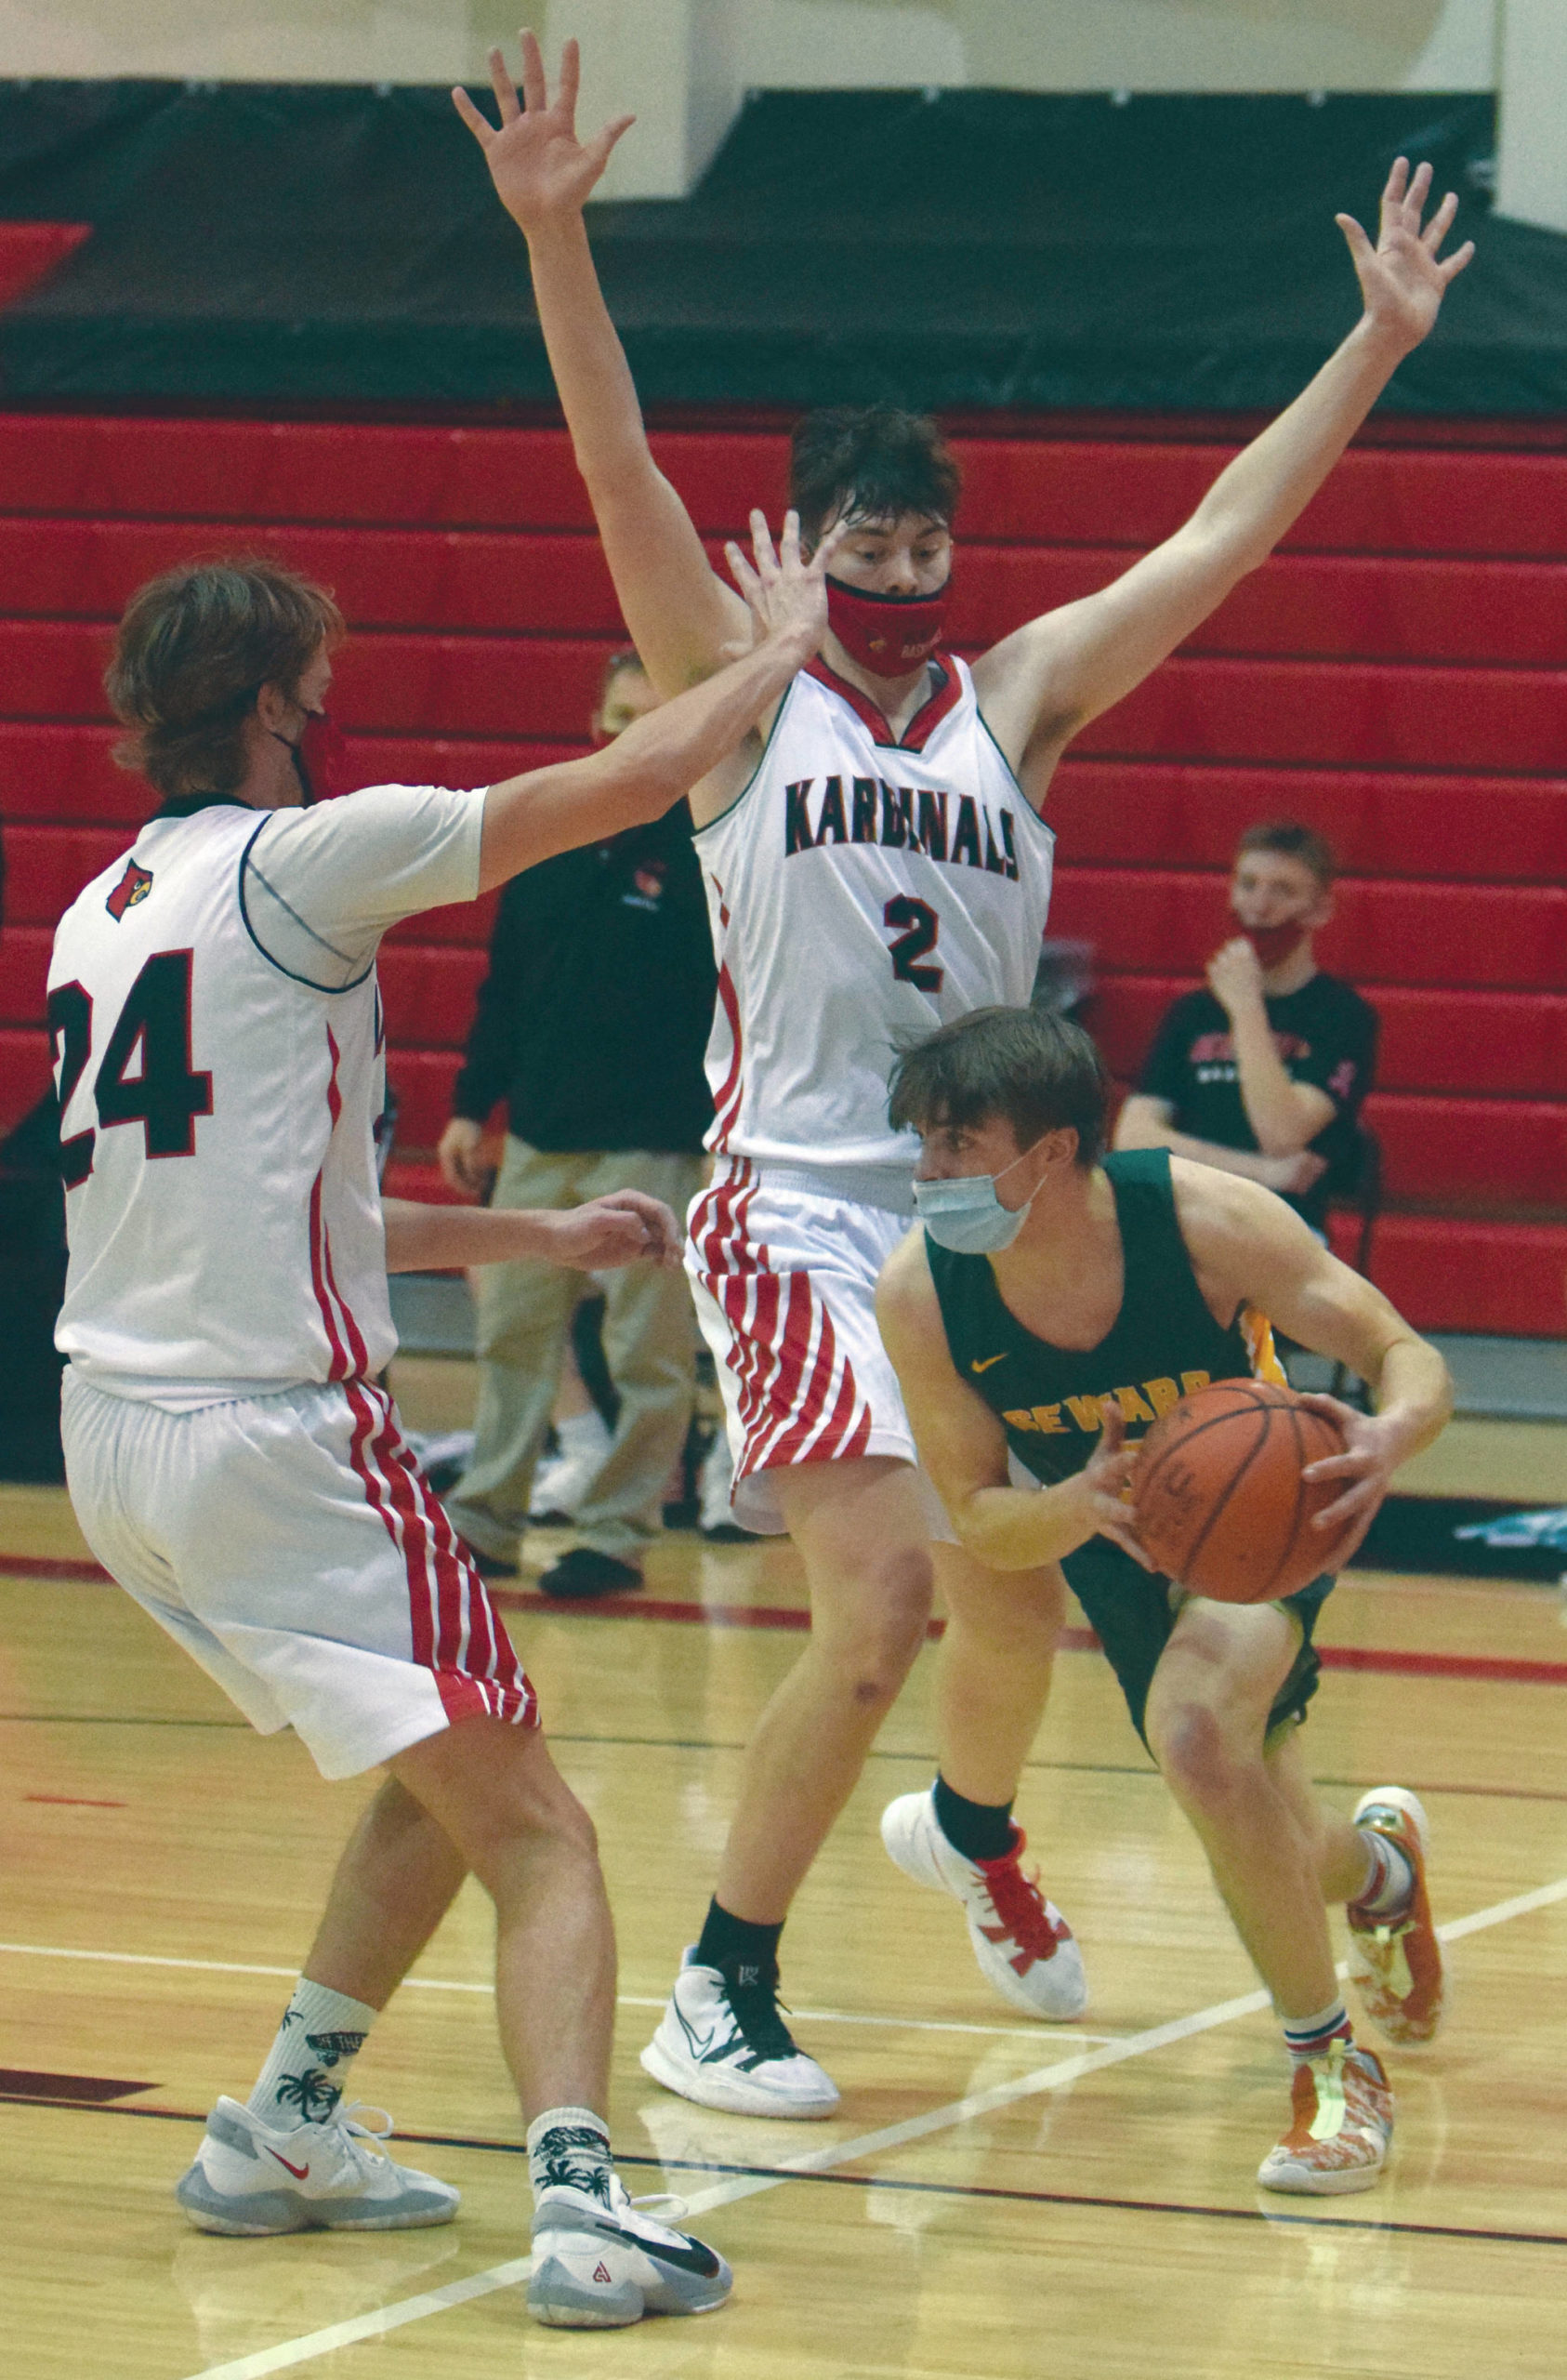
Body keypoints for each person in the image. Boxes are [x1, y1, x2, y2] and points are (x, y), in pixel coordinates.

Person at [454, 33, 1471, 2117]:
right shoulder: (743, 712)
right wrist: (557, 240)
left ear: (955, 556)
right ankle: (719, 1985)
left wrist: (1373, 348)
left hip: (986, 1215)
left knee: (1045, 1584)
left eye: (928, 545)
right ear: (809, 545)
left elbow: (1219, 536)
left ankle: (988, 1837)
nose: (903, 578)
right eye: (867, 544)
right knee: (907, 1579)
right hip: (795, 1203)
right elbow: (616, 470)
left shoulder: (1025, 699)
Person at [47, 522, 835, 2327]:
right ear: (274, 703)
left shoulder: (101, 915)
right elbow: (637, 772)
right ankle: (582, 2195)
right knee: (542, 1818)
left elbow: (285, 1210)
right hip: (274, 1434)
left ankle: (286, 2124)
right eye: (311, 680)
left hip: (118, 1434)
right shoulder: (314, 858)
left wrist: (540, 1236)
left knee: (441, 1756)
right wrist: (783, 648)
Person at [875, 1004, 1451, 2193]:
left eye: (955, 1149)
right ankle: (1380, 1871)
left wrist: (1392, 1433)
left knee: (1194, 1735)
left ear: (1051, 1152)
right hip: (1104, 1532)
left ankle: (1334, 2069)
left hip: (1272, 1519)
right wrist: (1081, 1507)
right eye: (923, 1147)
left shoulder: (1199, 1217)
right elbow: (980, 1515)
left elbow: (1402, 1348)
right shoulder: (923, 1293)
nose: (929, 1177)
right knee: (1284, 1837)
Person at [437, 649, 718, 1598]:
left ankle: (616, 1530)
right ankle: (486, 1516)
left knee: (648, 1351)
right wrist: (475, 1105)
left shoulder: (707, 847)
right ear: (594, 725)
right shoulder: (547, 839)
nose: (628, 736)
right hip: (541, 1132)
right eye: (616, 718)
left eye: (652, 718)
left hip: (657, 1135)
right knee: (514, 1332)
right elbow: (505, 988)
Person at [1114, 820, 1378, 1233]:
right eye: (1248, 884)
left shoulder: (1343, 1016)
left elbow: (1281, 1134)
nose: (1259, 905)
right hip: (1186, 1220)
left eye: (1283, 890)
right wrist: (1260, 1171)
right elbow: (1132, 1137)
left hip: (1284, 1233)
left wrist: (1247, 1009)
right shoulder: (1192, 1013)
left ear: (1321, 910)